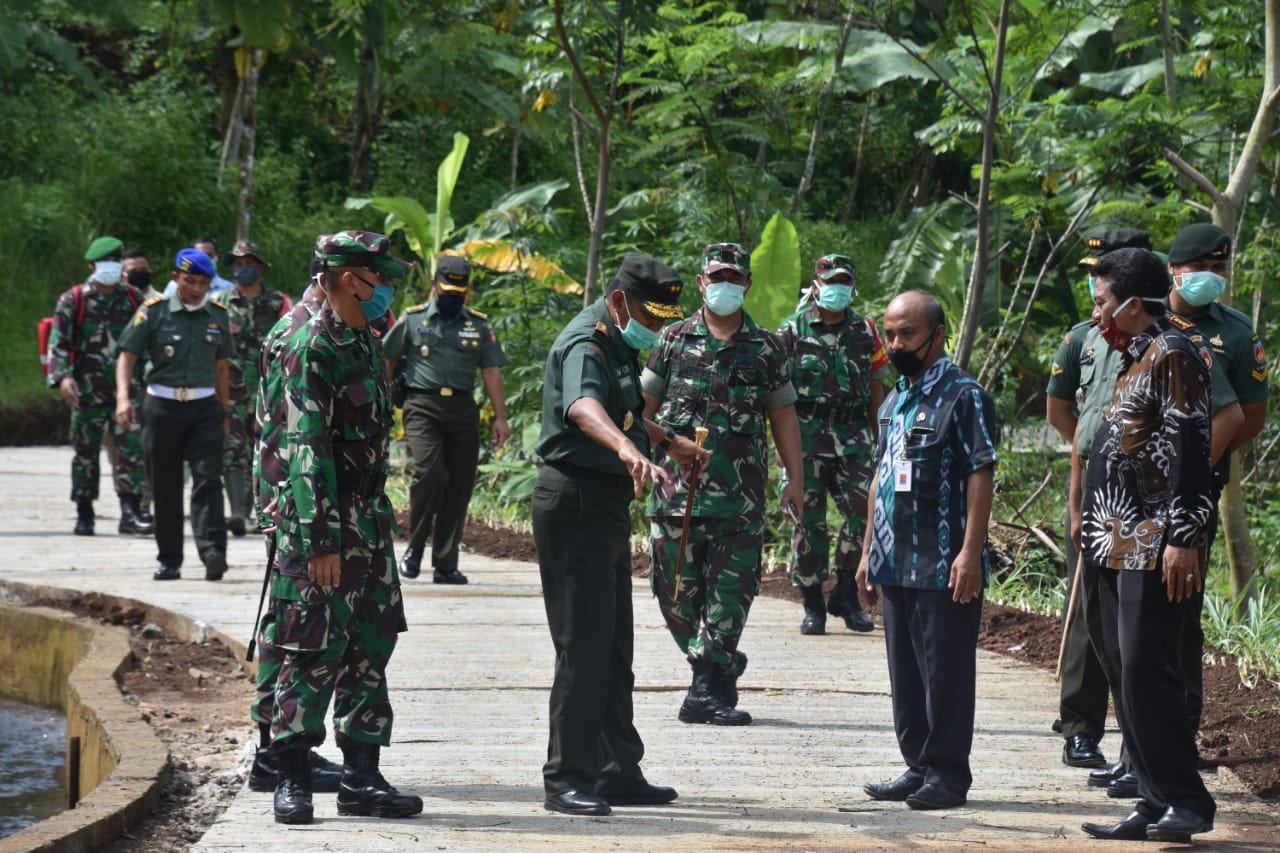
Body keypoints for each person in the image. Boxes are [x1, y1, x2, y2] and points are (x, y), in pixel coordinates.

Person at [266, 230, 421, 825]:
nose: (387, 288)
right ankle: (293, 778)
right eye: (380, 277)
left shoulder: (365, 338)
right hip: (323, 522)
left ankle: (362, 777)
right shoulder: (311, 346)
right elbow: (306, 449)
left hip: (370, 520)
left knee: (370, 647)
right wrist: (320, 541)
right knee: (309, 649)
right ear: (347, 277)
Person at [533, 252, 694, 816]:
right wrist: (626, 448)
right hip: (574, 498)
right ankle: (566, 778)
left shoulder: (619, 344)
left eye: (662, 320)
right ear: (620, 300)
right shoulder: (587, 341)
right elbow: (583, 408)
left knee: (614, 643)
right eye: (649, 317)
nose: (653, 329)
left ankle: (615, 769)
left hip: (603, 503)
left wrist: (665, 440)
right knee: (582, 645)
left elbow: (626, 414)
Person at [1076, 248, 1216, 843]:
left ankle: (1186, 801)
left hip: (1155, 543)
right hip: (1113, 540)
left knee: (1148, 673)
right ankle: (1151, 796)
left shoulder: (1176, 353)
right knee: (1122, 670)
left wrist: (1184, 536)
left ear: (1133, 304)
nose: (1097, 312)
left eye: (1102, 301)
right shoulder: (1134, 353)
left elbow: (1191, 448)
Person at [641, 241, 805, 727]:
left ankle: (704, 690)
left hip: (741, 498)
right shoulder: (671, 339)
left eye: (735, 279)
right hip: (675, 495)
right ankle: (721, 664)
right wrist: (646, 456)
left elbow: (784, 416)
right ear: (701, 283)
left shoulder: (767, 347)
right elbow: (641, 413)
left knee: (730, 594)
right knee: (672, 594)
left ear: (748, 284)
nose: (725, 287)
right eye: (717, 278)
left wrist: (794, 477)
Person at [857, 290, 998, 811]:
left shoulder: (964, 396)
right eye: (889, 334)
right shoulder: (894, 399)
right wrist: (867, 551)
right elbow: (879, 476)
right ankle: (917, 765)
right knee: (906, 674)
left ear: (937, 335)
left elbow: (981, 473)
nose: (896, 344)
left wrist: (969, 551)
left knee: (946, 674)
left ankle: (947, 774)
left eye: (907, 334)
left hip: (943, 562)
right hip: (894, 560)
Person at [1045, 227, 1151, 773]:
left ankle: (1147, 743)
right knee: (1088, 618)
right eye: (1092, 270)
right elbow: (1065, 416)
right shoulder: (1083, 337)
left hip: (1146, 502)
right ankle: (1081, 729)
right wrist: (1079, 479)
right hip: (1093, 488)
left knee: (1141, 628)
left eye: (1104, 270)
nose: (1094, 281)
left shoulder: (1166, 343)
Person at [1164, 222, 1268, 748]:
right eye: (1199, 267)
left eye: (1218, 268)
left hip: (1197, 492)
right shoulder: (1147, 321)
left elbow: (1250, 417)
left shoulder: (1236, 331)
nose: (1209, 276)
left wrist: (1196, 465)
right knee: (1131, 624)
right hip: (1134, 496)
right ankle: (1136, 744)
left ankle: (1179, 738)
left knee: (1181, 618)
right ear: (1173, 270)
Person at [245, 248, 343, 796]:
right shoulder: (301, 333)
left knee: (286, 624)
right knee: (293, 628)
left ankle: (272, 749)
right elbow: (296, 431)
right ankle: (273, 752)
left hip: (285, 493)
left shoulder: (297, 324)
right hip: (294, 500)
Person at [775, 253, 889, 635]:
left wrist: (883, 438)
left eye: (843, 281)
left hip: (853, 436)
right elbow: (775, 393)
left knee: (864, 507)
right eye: (830, 281)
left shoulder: (865, 330)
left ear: (852, 286)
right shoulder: (792, 330)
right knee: (808, 523)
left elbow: (876, 386)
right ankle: (812, 603)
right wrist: (780, 448)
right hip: (804, 437)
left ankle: (844, 591)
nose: (836, 288)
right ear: (817, 284)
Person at [383, 255, 509, 584]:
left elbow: (491, 371)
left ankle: (446, 563)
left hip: (463, 408)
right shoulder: (412, 320)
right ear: (434, 286)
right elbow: (388, 358)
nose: (452, 296)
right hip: (422, 406)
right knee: (430, 473)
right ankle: (413, 549)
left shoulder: (479, 325)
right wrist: (384, 402)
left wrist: (501, 418)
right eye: (447, 289)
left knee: (459, 485)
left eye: (459, 291)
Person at [116, 249, 234, 581]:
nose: (196, 289)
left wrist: (224, 412)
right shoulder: (153, 312)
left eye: (203, 282)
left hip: (204, 408)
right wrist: (123, 398)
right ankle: (170, 559)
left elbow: (222, 367)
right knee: (165, 485)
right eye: (190, 281)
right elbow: (127, 356)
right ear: (175, 279)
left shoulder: (218, 315)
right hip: (162, 407)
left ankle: (213, 552)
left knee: (208, 479)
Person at [47, 236, 153, 537]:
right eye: (105, 262)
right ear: (92, 266)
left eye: (115, 261)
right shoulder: (74, 300)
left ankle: (130, 512)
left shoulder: (134, 299)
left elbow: (147, 344)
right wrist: (63, 377)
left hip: (125, 393)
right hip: (86, 392)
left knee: (131, 452)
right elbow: (59, 345)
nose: (111, 267)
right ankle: (84, 510)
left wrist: (146, 380)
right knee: (85, 453)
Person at [215, 240, 292, 537]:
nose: (243, 269)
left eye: (249, 263)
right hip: (230, 389)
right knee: (233, 449)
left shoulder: (277, 303)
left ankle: (262, 512)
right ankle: (237, 512)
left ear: (260, 267)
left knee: (266, 450)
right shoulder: (220, 303)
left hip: (268, 390)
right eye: (238, 264)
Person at [163, 236, 234, 296]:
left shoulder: (228, 288)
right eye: (200, 256)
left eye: (209, 255)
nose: (205, 259)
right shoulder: (175, 286)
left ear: (216, 257)